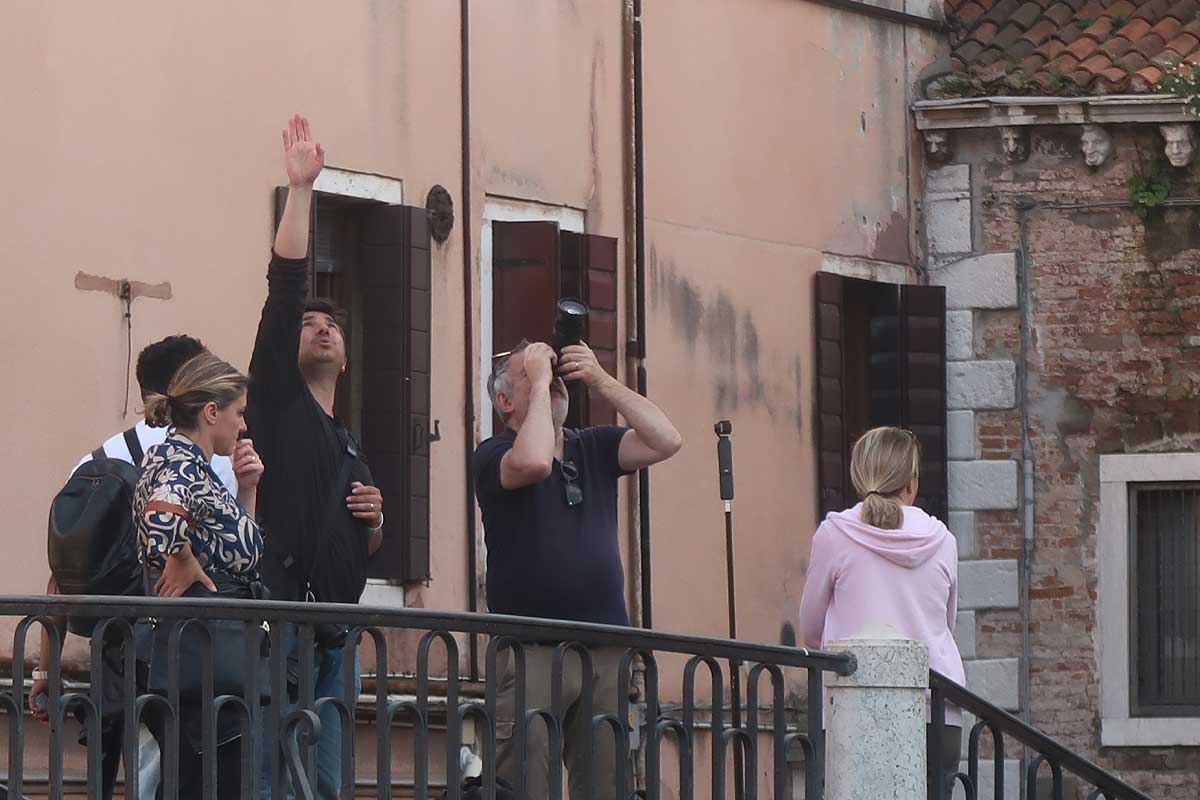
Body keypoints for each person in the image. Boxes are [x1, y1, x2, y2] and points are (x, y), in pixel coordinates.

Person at [29, 334, 238, 800]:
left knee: (135, 770)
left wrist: (46, 668)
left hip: (114, 649)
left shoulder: (98, 459)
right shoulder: (209, 459)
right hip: (191, 650)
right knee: (188, 777)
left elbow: (64, 571)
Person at [473, 339, 682, 800]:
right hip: (530, 650)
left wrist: (600, 379)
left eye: (554, 373)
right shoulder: (493, 453)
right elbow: (532, 463)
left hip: (605, 650)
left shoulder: (595, 447)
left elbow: (667, 439)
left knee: (606, 786)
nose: (552, 379)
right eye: (531, 374)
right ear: (505, 401)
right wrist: (542, 380)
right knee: (523, 786)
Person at [249, 114, 385, 799]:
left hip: (336, 643)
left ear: (347, 356)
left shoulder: (350, 442)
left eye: (332, 324)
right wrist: (301, 189)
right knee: (272, 785)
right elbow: (284, 290)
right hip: (282, 633)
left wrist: (377, 522)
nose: (321, 326)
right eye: (311, 323)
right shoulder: (276, 399)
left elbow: (356, 536)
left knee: (326, 790)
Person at [797, 426, 965, 799]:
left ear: (860, 478)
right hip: (934, 709)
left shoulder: (834, 534)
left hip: (852, 707)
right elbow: (945, 625)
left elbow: (810, 627)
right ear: (912, 483)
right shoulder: (944, 541)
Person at [133, 350, 265, 798]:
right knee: (209, 781)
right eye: (239, 413)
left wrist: (247, 490)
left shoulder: (182, 460)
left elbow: (239, 551)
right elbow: (162, 518)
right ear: (212, 412)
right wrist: (183, 556)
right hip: (201, 653)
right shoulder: (183, 461)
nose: (242, 425)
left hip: (205, 652)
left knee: (197, 780)